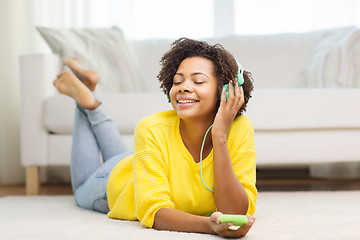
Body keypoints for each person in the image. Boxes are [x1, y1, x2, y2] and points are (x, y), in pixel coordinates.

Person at [53, 38, 257, 238]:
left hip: (140, 163)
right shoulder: (150, 128)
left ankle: (89, 93)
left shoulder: (240, 128)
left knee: (128, 156)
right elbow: (153, 211)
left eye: (198, 80)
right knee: (80, 192)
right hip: (116, 181)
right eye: (178, 81)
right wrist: (209, 226)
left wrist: (219, 136)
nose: (184, 87)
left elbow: (237, 211)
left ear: (225, 91)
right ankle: (86, 101)